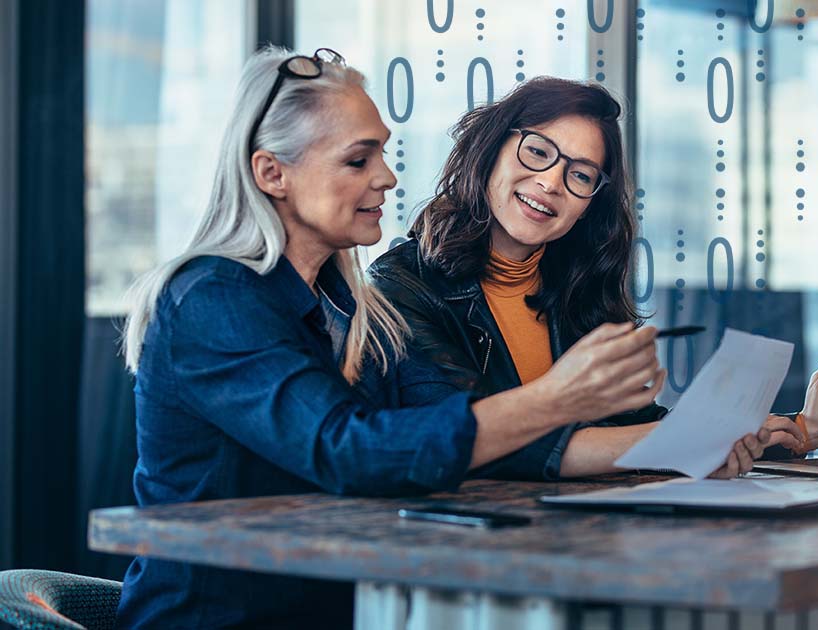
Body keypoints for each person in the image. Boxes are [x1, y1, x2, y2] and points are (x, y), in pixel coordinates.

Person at [116, 48, 773, 629]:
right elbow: (346, 451)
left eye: (382, 153)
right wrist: (560, 398)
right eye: (358, 158)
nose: (388, 178)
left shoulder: (350, 304)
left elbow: (461, 430)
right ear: (272, 174)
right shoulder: (213, 299)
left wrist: (701, 440)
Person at [369, 77, 818, 479]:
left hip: (576, 541)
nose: (551, 182)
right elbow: (478, 441)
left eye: (580, 175)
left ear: (589, 205)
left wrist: (802, 428)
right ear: (491, 149)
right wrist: (693, 442)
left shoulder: (575, 289)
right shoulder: (400, 288)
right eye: (538, 151)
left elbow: (634, 428)